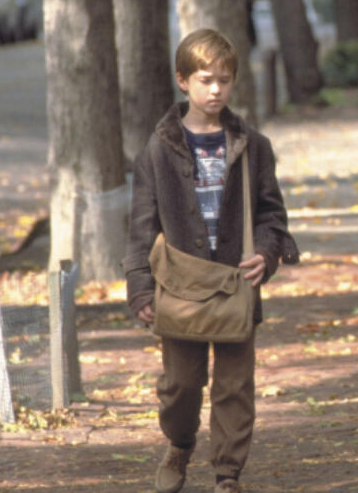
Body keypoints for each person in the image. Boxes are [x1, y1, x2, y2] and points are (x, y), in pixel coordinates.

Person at [125, 28, 299, 493]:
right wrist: (140, 285)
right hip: (181, 287)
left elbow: (271, 212)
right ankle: (180, 444)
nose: (216, 89)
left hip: (237, 284)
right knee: (180, 386)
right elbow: (142, 222)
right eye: (205, 79)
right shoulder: (159, 148)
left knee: (235, 387)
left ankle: (227, 473)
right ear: (184, 81)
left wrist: (266, 252)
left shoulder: (253, 146)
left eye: (224, 79)